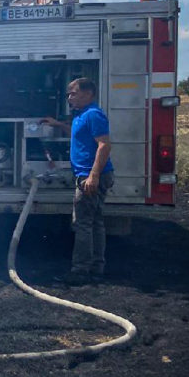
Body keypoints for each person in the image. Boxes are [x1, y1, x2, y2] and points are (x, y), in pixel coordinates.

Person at [42, 77, 114, 285]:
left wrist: (93, 176)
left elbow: (104, 145)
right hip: (87, 174)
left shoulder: (94, 114)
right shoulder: (81, 115)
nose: (69, 97)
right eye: (68, 94)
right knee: (96, 222)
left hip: (90, 176)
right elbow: (76, 132)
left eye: (73, 93)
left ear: (88, 93)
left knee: (82, 223)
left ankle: (80, 271)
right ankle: (97, 267)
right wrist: (57, 124)